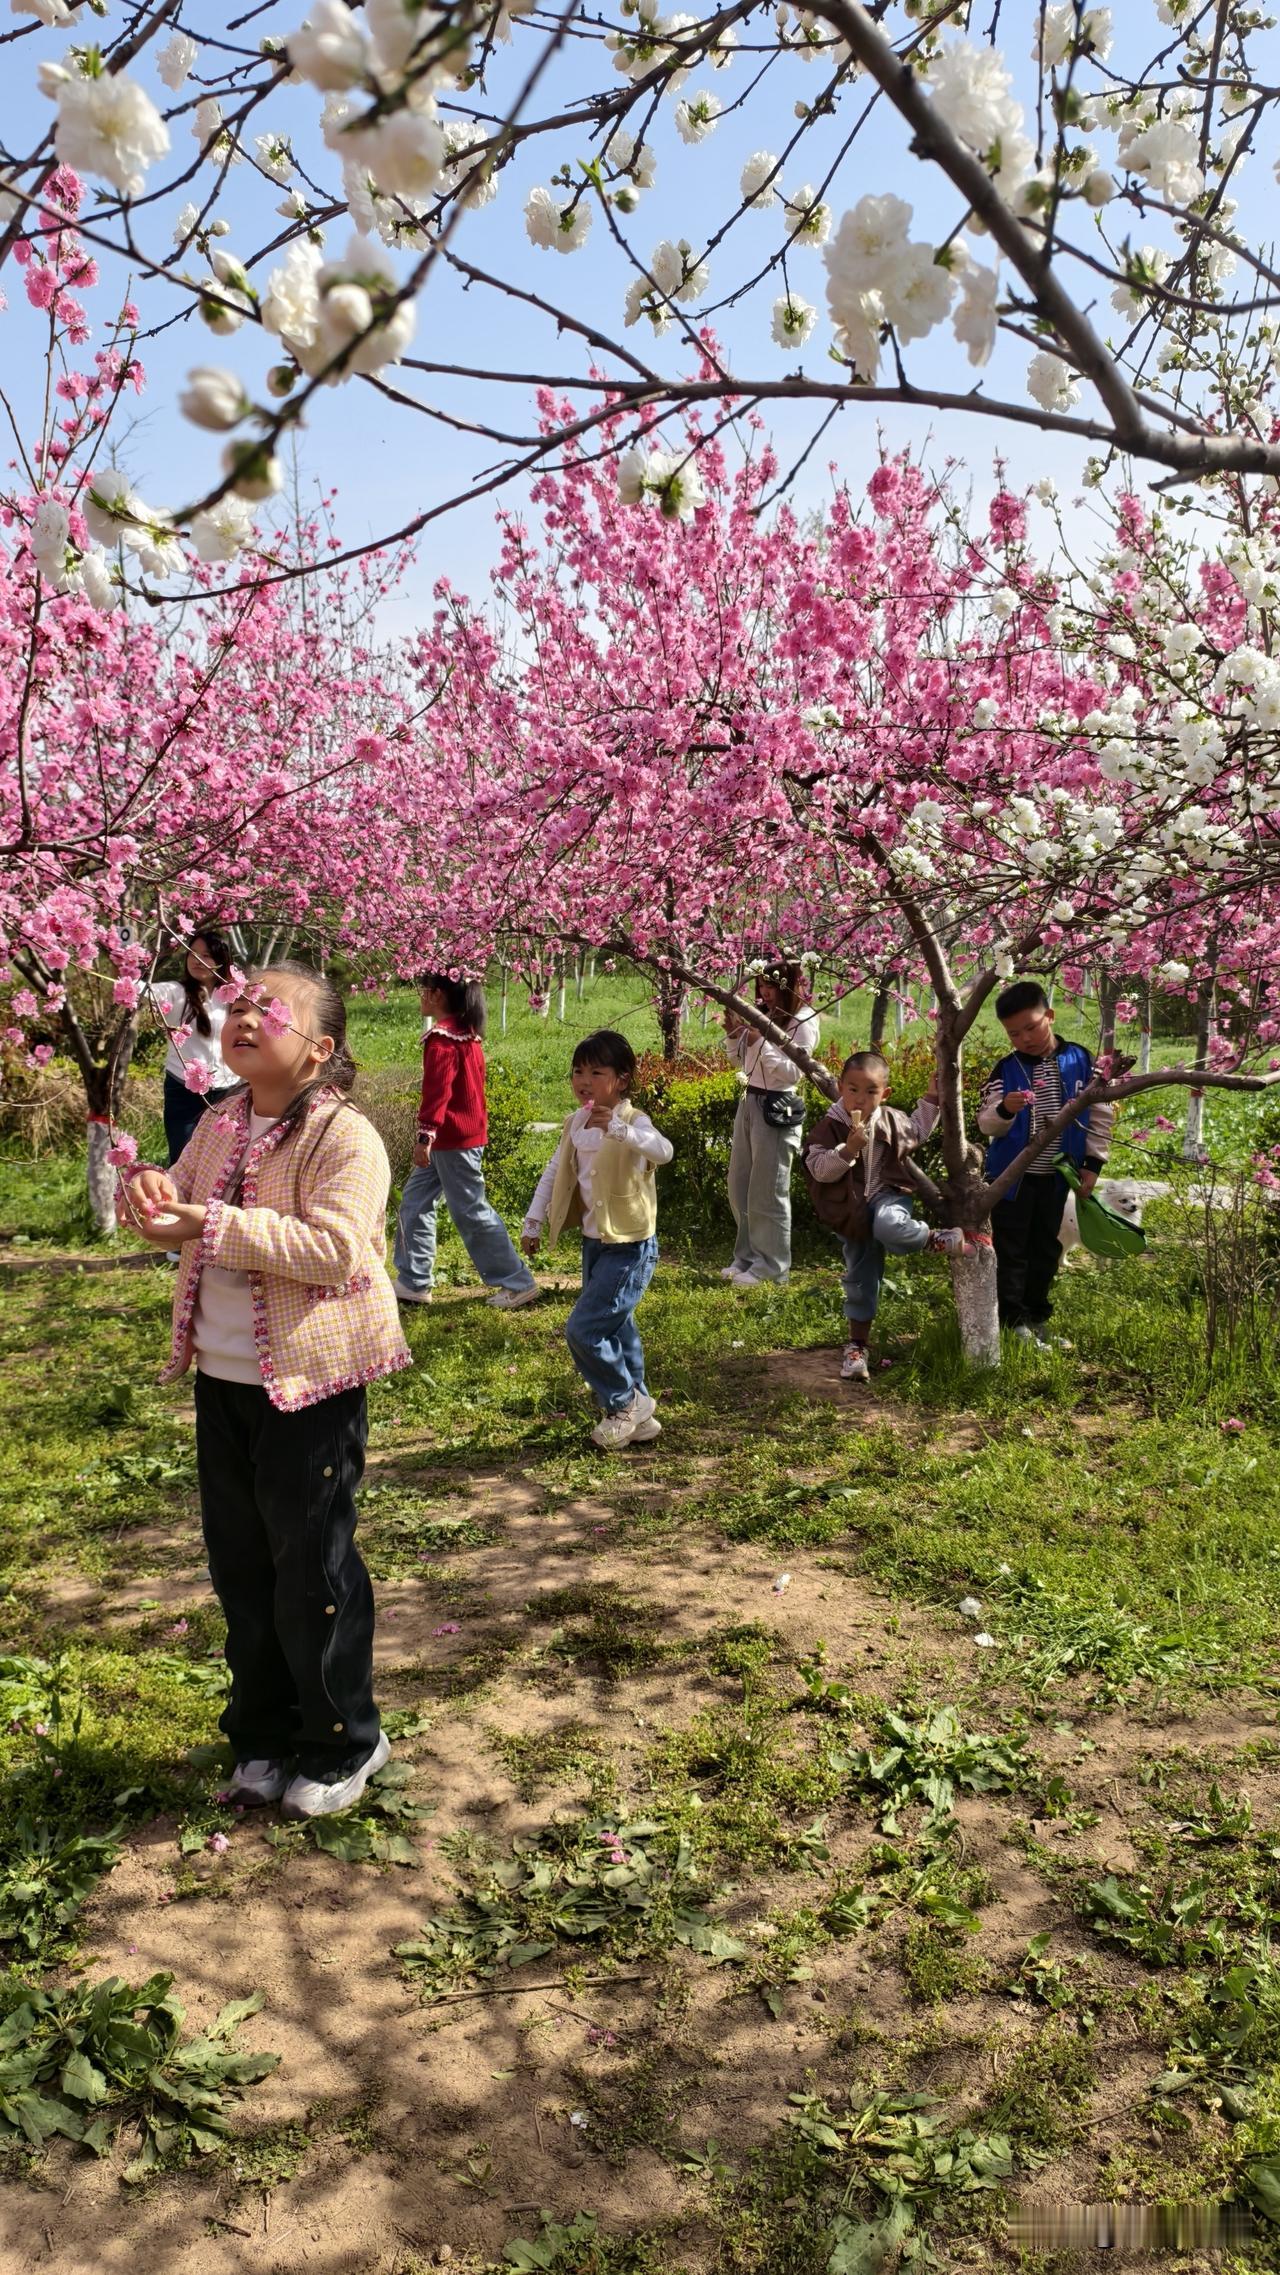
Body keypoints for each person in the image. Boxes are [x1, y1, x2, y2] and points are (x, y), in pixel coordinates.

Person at [123, 962, 411, 1820]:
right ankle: (262, 1734)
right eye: (239, 1004)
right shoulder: (221, 1120)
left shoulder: (346, 1137)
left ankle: (344, 1740)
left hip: (309, 1389)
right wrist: (152, 1190)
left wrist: (208, 1224)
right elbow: (178, 1201)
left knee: (311, 1570)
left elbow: (335, 1249)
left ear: (320, 1048)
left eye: (269, 1009)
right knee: (241, 1566)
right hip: (223, 1381)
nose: (244, 1016)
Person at [521, 1030, 673, 1450]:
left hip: (630, 1246)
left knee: (584, 1329)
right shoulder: (576, 1123)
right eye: (577, 1072)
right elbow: (555, 1172)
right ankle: (640, 1413)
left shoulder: (633, 1121)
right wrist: (534, 1220)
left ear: (621, 1079)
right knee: (618, 1327)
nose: (584, 1081)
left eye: (596, 1073)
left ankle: (623, 1403)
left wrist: (622, 1132)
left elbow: (663, 1151)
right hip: (595, 1244)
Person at [803, 1050, 970, 1381]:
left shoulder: (890, 1119)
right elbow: (819, 1169)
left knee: (890, 1224)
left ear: (885, 1094)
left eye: (870, 1092)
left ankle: (930, 1238)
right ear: (840, 1087)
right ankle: (857, 1346)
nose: (859, 1099)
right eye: (852, 1089)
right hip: (851, 1213)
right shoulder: (830, 1127)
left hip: (887, 1197)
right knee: (860, 1278)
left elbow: (917, 1130)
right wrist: (849, 1149)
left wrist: (932, 1097)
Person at [977, 979, 1113, 1348]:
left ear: (1050, 1016)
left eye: (1032, 1027)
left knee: (1046, 1248)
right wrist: (1005, 1110)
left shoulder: (1081, 1061)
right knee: (1011, 1249)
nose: (1025, 1038)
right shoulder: (1006, 1070)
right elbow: (986, 1122)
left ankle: (1036, 1316)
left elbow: (1100, 1114)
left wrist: (1093, 1164)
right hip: (1012, 1180)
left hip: (1056, 1177)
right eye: (1014, 1033)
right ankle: (1011, 1321)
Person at [392, 972, 538, 1311]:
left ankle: (518, 1283)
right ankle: (413, 1281)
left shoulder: (443, 1040)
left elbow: (437, 1093)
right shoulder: (467, 1034)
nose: (420, 996)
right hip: (456, 1139)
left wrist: (424, 1135)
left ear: (438, 995)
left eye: (423, 990)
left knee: (471, 1211)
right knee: (414, 1202)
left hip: (452, 1141)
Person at [722, 962, 820, 1287]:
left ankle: (772, 1268)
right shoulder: (762, 1014)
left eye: (772, 986)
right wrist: (734, 1035)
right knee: (740, 1184)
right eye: (762, 986)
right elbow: (740, 1061)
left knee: (768, 1190)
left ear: (789, 986)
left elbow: (794, 1073)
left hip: (778, 1106)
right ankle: (747, 1258)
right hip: (749, 1100)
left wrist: (758, 1042)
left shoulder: (803, 1020)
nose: (765, 993)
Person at [149, 925, 239, 1164]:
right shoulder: (176, 992)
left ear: (221, 960)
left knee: (221, 1159)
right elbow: (145, 992)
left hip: (228, 1089)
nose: (197, 960)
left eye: (206, 955)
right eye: (192, 953)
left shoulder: (232, 996)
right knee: (183, 1157)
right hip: (184, 1090)